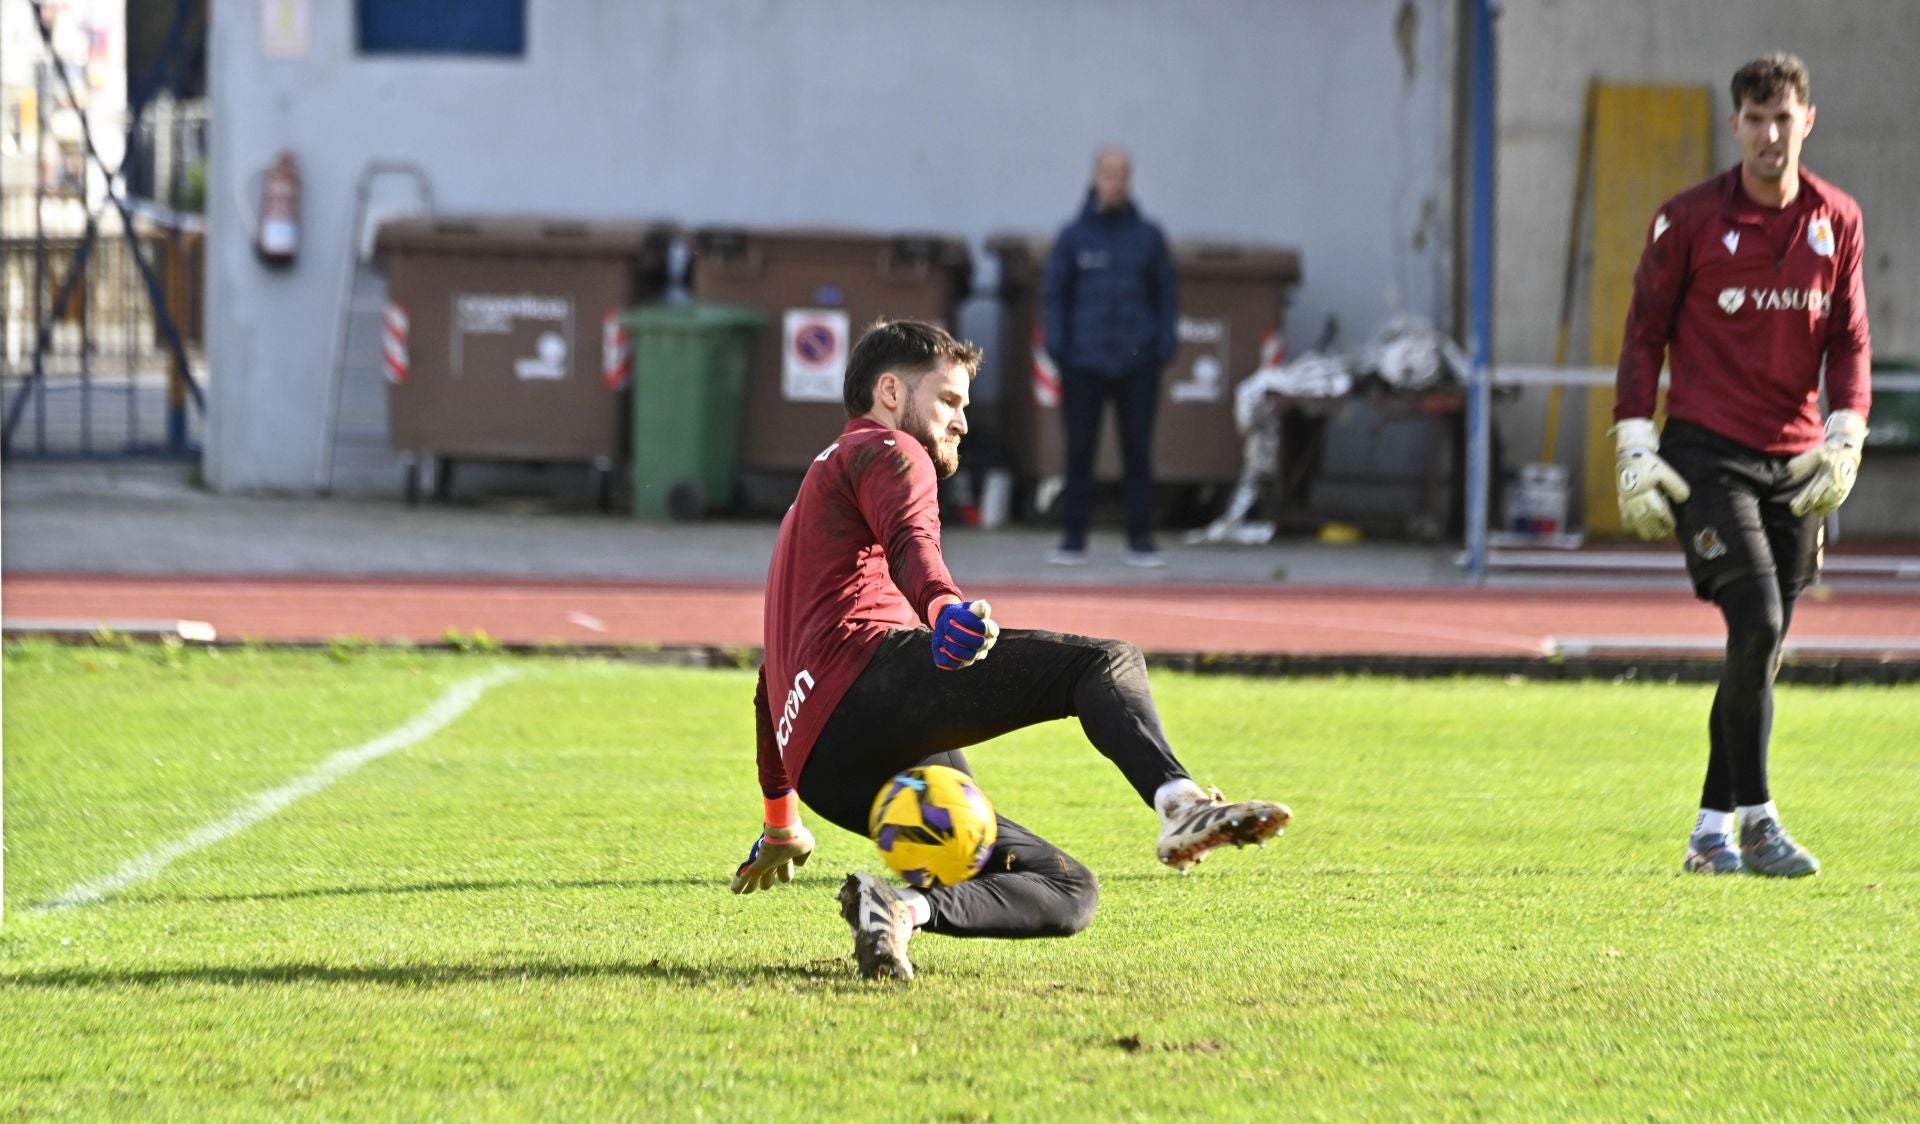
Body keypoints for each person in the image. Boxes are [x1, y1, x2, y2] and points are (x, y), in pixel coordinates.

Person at [729, 318, 1291, 981]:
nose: (961, 422)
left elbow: (774, 680)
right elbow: (915, 544)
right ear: (888, 393)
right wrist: (941, 607)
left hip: (827, 771)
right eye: (949, 400)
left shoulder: (803, 510)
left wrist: (780, 823)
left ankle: (897, 911)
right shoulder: (890, 450)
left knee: (1068, 891)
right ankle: (1182, 807)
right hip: (872, 691)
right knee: (1103, 663)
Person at [1611, 53, 1870, 878]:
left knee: (1761, 647)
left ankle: (1708, 832)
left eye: (1782, 119)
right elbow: (1643, 331)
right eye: (1755, 120)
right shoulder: (1686, 219)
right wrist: (1632, 440)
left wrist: (1846, 432)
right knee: (1757, 622)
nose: (1769, 135)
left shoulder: (1840, 219)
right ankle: (1760, 826)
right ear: (1736, 127)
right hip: (1706, 456)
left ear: (1807, 121)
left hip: (1795, 462)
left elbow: (1849, 339)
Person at [1042, 146, 1180, 567]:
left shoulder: (1148, 238)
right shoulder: (1073, 237)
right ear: (1094, 178)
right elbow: (1053, 295)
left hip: (1137, 363)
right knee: (1079, 450)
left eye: (1122, 174)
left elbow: (1167, 293)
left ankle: (1141, 539)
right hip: (1083, 362)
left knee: (1137, 449)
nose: (1115, 182)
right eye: (1108, 173)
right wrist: (1058, 346)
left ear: (1130, 181)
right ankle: (1073, 539)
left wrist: (1163, 342)